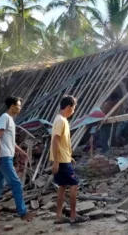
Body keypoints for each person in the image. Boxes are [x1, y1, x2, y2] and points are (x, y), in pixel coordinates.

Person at [0, 97, 33, 221]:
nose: (20, 108)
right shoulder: (4, 118)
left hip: (7, 156)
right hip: (4, 157)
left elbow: (11, 141)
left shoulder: (10, 120)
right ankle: (23, 213)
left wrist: (21, 152)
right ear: (12, 106)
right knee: (16, 183)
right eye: (18, 105)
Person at [50, 96, 88, 224]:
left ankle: (59, 216)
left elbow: (60, 142)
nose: (73, 111)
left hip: (64, 158)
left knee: (62, 186)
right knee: (74, 184)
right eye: (73, 109)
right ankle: (73, 215)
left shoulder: (61, 120)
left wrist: (69, 156)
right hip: (61, 160)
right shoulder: (60, 120)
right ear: (68, 107)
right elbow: (55, 140)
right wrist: (56, 161)